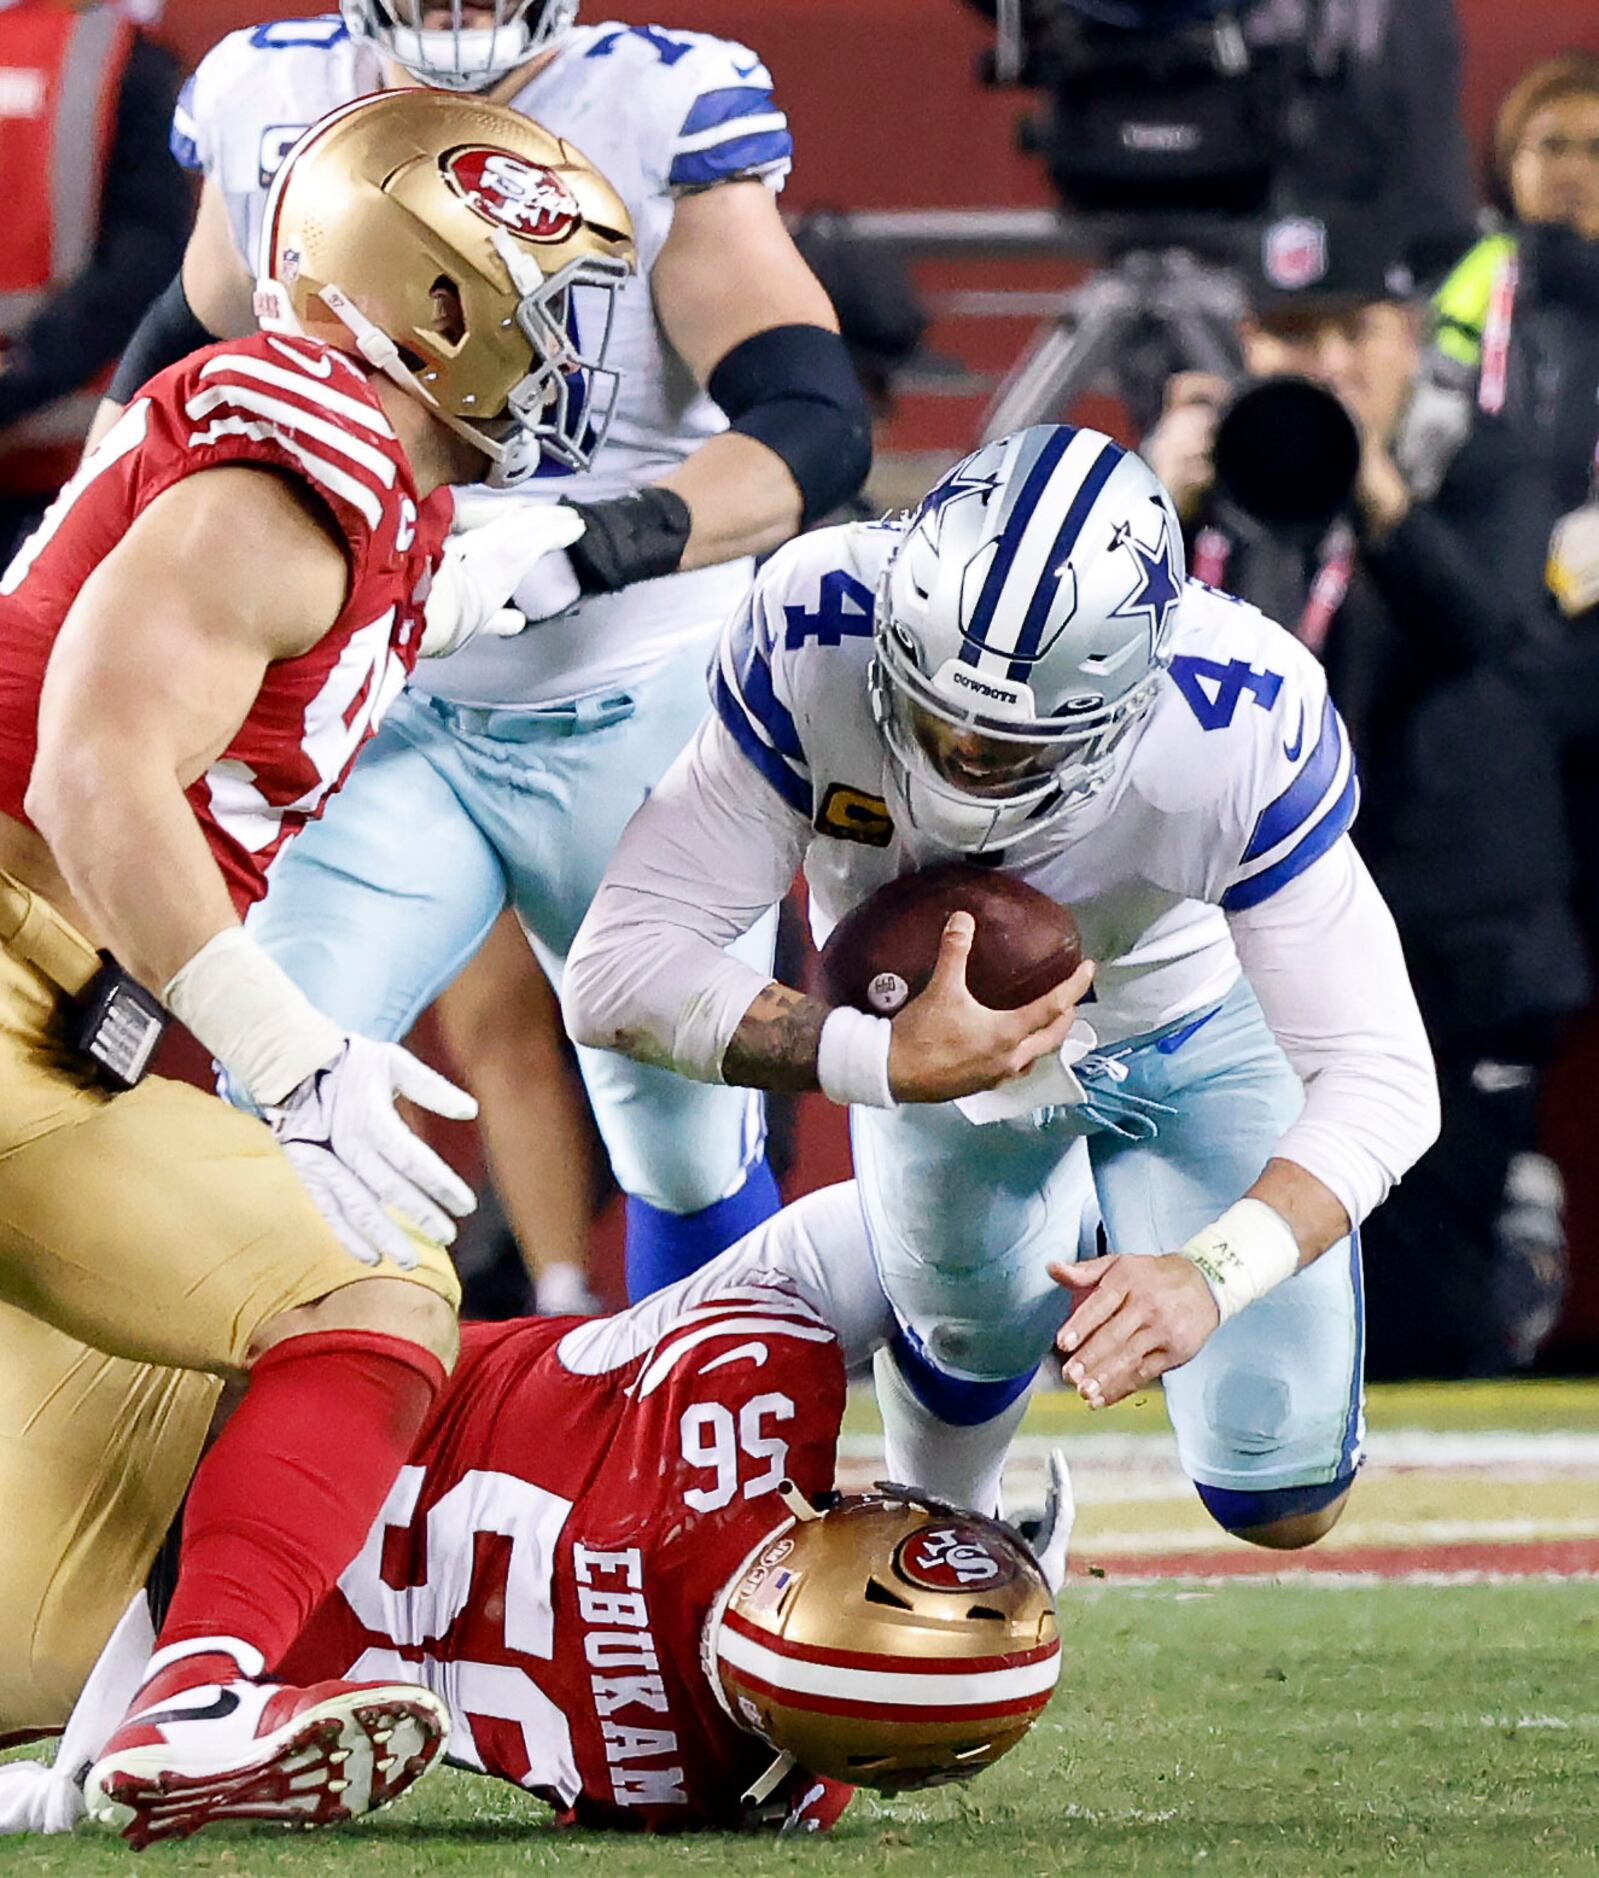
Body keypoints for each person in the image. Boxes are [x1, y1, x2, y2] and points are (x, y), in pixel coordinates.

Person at [0, 89, 639, 1843]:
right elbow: (91, 775)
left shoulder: (366, 491)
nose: (577, 346)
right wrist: (289, 1050)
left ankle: (169, 1704)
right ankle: (202, 1691)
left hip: (58, 1005)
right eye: (554, 296)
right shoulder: (306, 450)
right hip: (17, 947)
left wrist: (431, 601)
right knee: (361, 1267)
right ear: (440, 299)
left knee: (33, 1638)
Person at [92, 0, 874, 1304]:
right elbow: (188, 337)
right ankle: (315, 1486)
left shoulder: (659, 105)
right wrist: (86, 557)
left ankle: (709, 1477)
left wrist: (595, 540)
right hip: (380, 707)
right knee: (277, 1096)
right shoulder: (264, 89)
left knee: (682, 1137)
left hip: (632, 703)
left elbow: (811, 422)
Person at [564, 423, 1439, 1537]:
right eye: (939, 717)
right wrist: (877, 1058)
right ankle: (966, 1532)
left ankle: (973, 1229)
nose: (964, 764)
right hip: (926, 1061)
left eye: (1016, 747)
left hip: (1188, 1034)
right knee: (967, 1346)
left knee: (1280, 1502)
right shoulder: (815, 623)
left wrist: (1210, 1271)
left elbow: (1385, 1079)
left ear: (1131, 695)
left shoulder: (1235, 718)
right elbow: (617, 967)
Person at [0, 1186, 1064, 1839]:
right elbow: (815, 1755)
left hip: (192, 1394)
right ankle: (133, 1735)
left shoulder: (736, 1401)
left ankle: (170, 1708)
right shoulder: (702, 1791)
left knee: (360, 1283)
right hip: (98, 1645)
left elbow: (918, 1235)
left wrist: (958, 1491)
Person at [1143, 209, 1587, 1377]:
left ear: (1406, 335)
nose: (1329, 367)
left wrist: (1383, 501)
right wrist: (1153, 511)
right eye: (1295, 339)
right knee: (1267, 1334)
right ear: (1247, 343)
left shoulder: (1494, 462)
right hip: (1256, 945)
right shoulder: (1219, 480)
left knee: (1426, 1332)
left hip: (1456, 939)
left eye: (1354, 333)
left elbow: (1506, 653)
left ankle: (1506, 1246)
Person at [0, 0, 189, 562]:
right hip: (63, 433)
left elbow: (148, 251)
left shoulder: (119, 56)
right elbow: (149, 250)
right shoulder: (118, 51)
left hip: (57, 461)